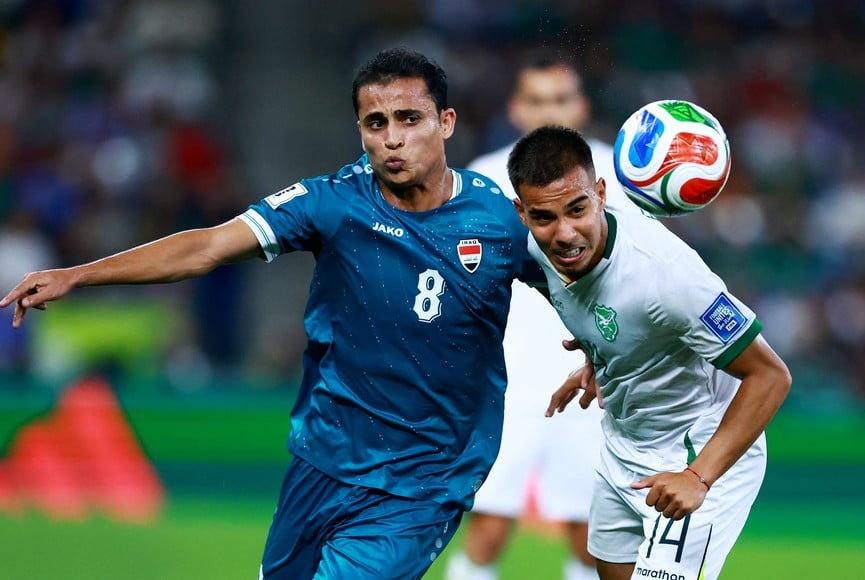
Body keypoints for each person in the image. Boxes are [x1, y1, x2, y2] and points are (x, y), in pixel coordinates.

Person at [0, 48, 557, 580]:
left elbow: (578, 284)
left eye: (409, 119)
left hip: (426, 480)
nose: (391, 138)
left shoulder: (501, 220)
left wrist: (601, 356)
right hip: (325, 459)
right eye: (375, 122)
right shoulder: (331, 202)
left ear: (447, 122)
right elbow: (209, 246)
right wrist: (79, 275)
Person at [505, 125, 791, 580]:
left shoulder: (668, 277)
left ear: (600, 193)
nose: (563, 233)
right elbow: (581, 301)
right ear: (522, 213)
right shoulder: (537, 253)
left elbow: (772, 375)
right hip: (623, 445)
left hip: (694, 451)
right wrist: (600, 357)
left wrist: (699, 476)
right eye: (544, 217)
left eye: (577, 209)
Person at [445, 51, 636, 580]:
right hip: (505, 378)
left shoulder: (619, 177)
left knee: (592, 535)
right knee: (487, 528)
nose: (549, 111)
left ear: (581, 105)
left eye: (560, 98)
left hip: (600, 379)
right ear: (515, 107)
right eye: (537, 99)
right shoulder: (481, 180)